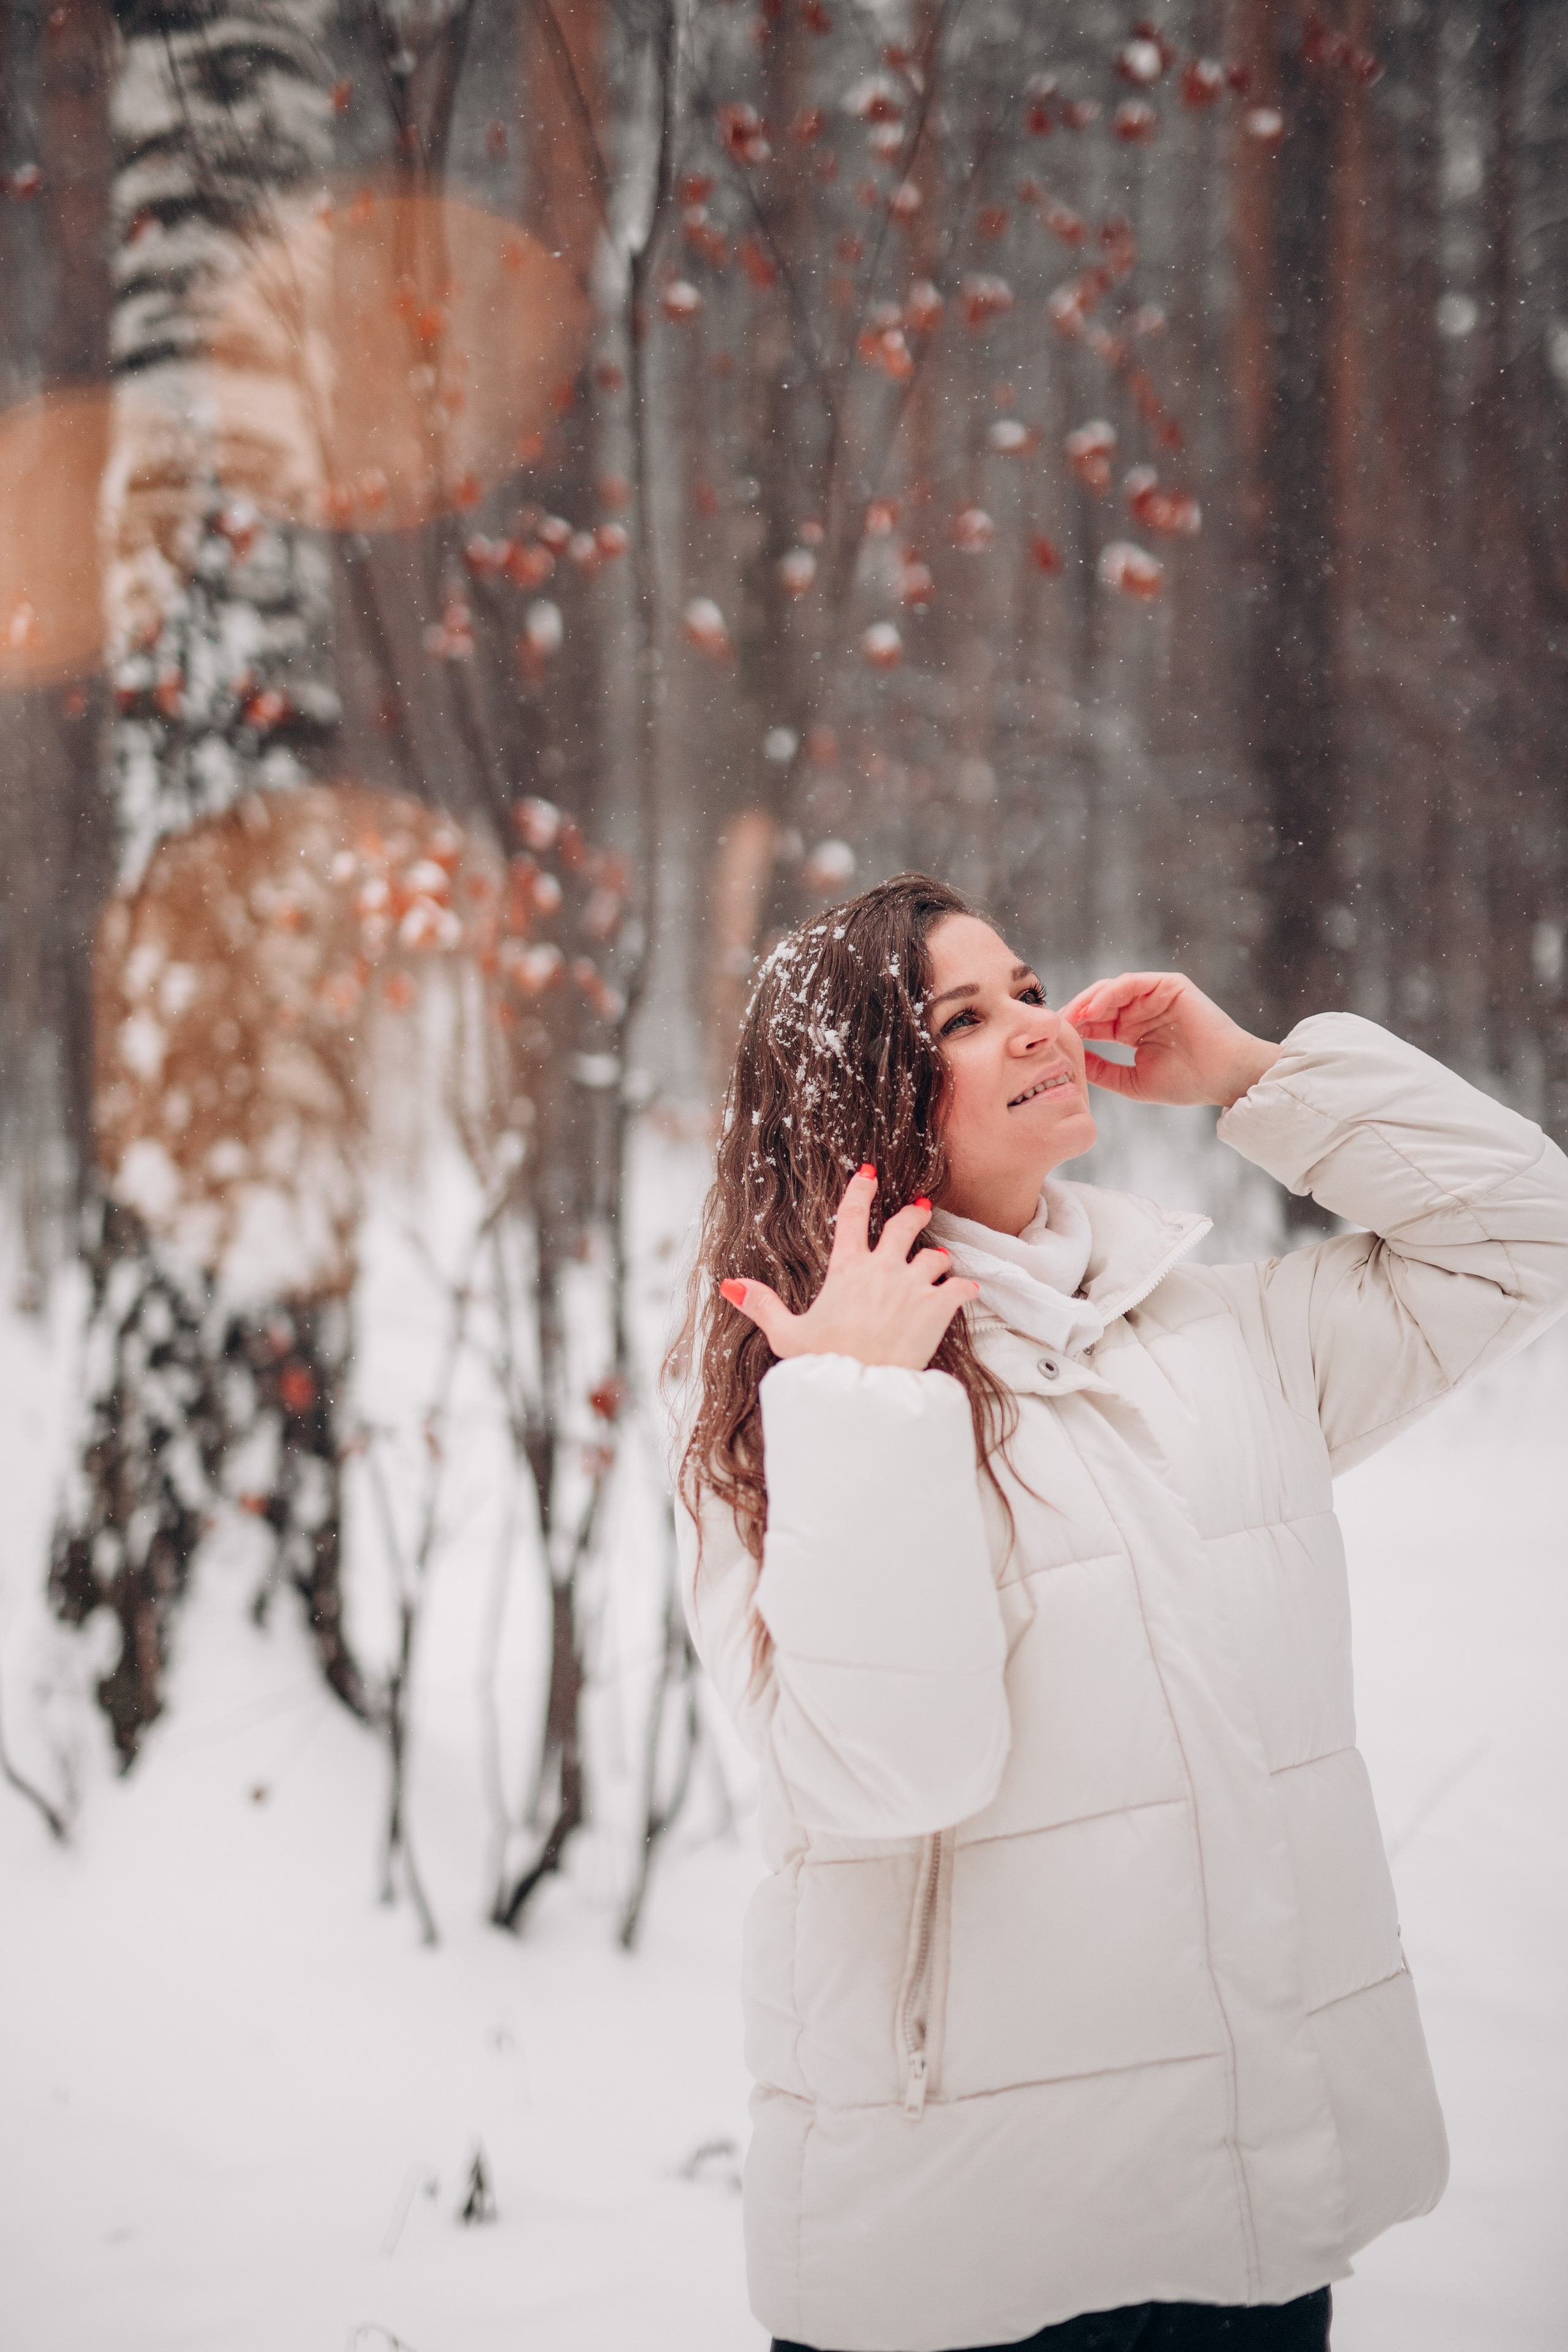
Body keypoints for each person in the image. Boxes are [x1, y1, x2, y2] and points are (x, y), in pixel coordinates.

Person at [668, 873, 1568, 2352]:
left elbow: (1524, 1232)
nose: (1031, 1025)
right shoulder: (788, 1402)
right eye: (962, 1016)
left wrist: (1265, 1078)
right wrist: (860, 1403)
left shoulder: (1216, 1337)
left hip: (1241, 2221)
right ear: (860, 1092)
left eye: (1025, 990)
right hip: (966, 2253)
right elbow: (892, 1773)